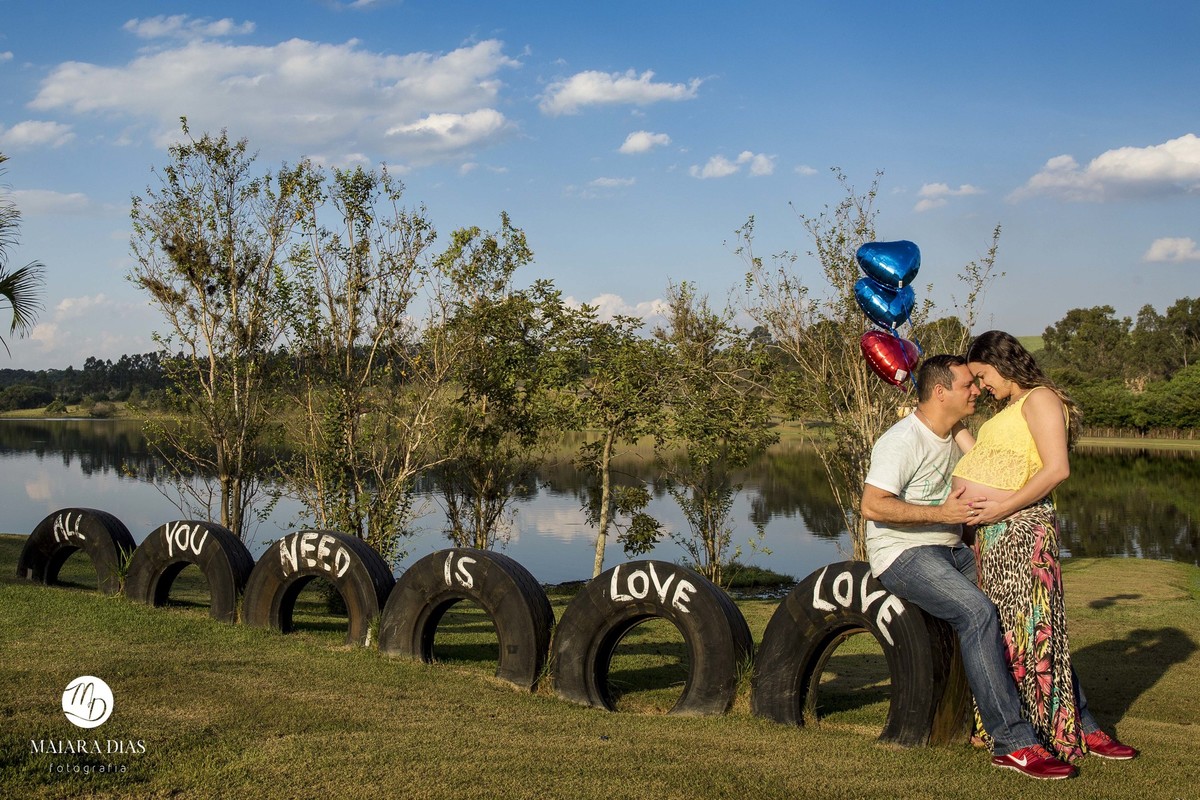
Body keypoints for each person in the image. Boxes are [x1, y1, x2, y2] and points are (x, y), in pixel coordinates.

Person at [860, 354, 1078, 780]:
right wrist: (943, 514)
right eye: (967, 385)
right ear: (941, 392)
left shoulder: (951, 434)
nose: (976, 389)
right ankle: (1011, 742)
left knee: (1019, 606)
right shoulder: (902, 440)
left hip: (950, 549)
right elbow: (872, 506)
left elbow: (991, 465)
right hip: (904, 554)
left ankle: (1066, 720)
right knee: (976, 612)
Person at [952, 330, 1137, 763]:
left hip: (1021, 530)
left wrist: (999, 511)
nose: (981, 387)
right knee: (1008, 633)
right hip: (995, 534)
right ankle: (1008, 726)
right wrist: (953, 425)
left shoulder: (1040, 399)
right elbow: (992, 462)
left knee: (1035, 631)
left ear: (1003, 362)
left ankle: (1053, 731)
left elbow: (1056, 470)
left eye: (982, 376)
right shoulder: (1012, 409)